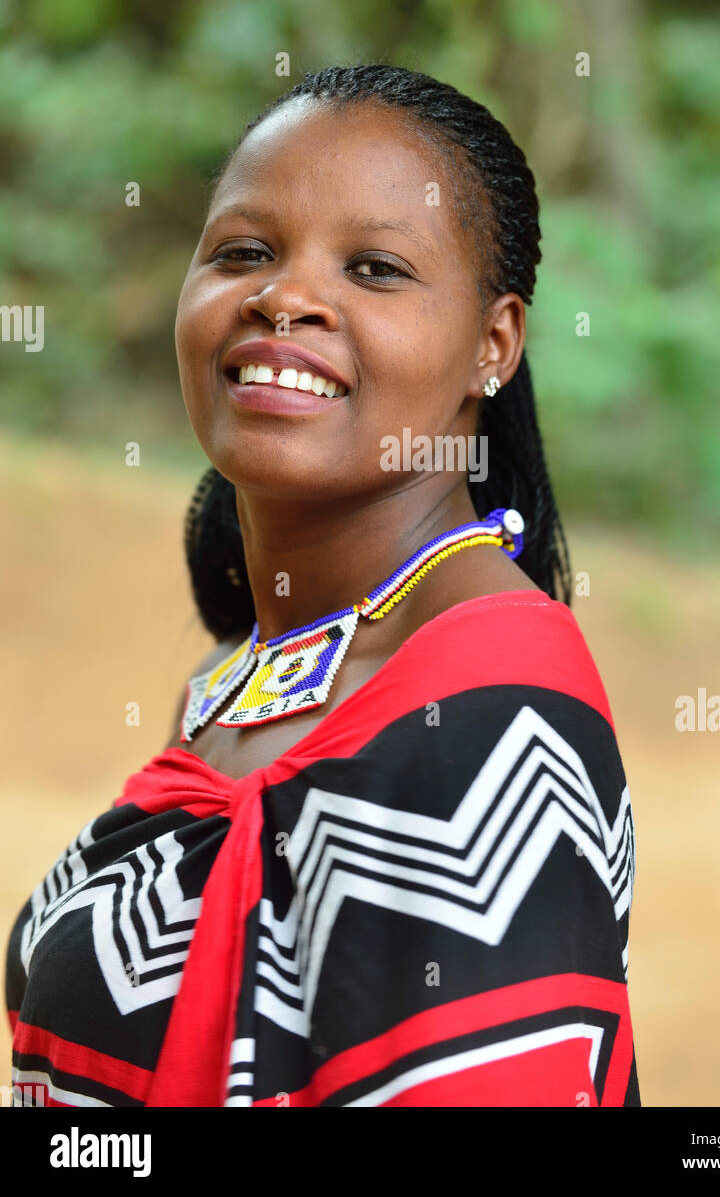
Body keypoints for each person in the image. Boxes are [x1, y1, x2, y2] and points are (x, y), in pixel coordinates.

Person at [6, 65, 639, 1106]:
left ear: (494, 344)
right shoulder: (223, 690)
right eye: (244, 252)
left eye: (375, 267)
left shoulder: (492, 711)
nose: (284, 297)